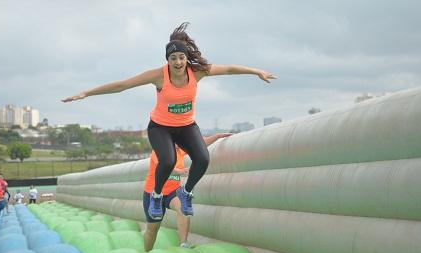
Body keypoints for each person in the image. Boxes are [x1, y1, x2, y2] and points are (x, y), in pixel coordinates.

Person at [62, 22, 276, 221]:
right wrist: (86, 93)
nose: (178, 62)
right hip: (160, 127)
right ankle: (156, 196)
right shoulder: (159, 76)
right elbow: (122, 85)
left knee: (202, 158)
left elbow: (229, 69)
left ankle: (186, 192)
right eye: (173, 58)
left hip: (186, 126)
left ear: (186, 58)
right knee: (168, 160)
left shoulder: (197, 72)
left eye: (181, 57)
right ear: (168, 60)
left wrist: (256, 71)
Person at [143, 133, 232, 251]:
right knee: (153, 228)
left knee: (183, 206)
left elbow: (200, 144)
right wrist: (180, 171)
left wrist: (218, 136)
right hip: (153, 194)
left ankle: (183, 244)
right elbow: (164, 165)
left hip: (171, 192)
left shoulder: (180, 151)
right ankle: (147, 252)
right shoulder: (158, 152)